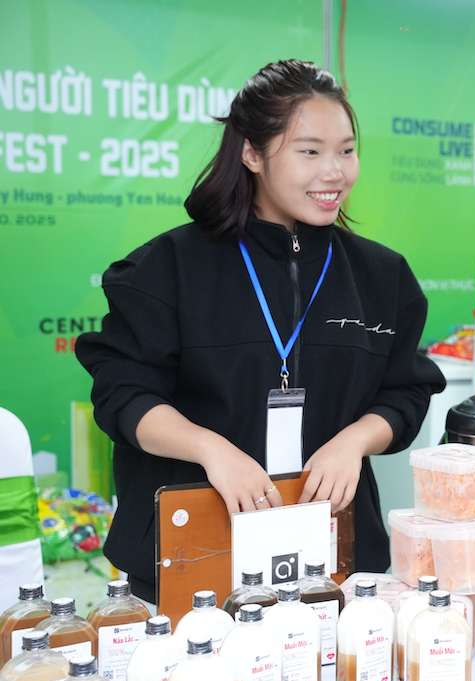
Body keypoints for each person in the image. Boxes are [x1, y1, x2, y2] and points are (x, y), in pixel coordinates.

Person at [76, 60, 445, 603]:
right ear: (252, 153)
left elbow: (406, 391)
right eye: (310, 151)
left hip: (333, 549)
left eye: (346, 150)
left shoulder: (380, 276)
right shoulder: (169, 267)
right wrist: (209, 449)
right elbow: (122, 393)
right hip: (193, 550)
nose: (334, 172)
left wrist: (354, 441)